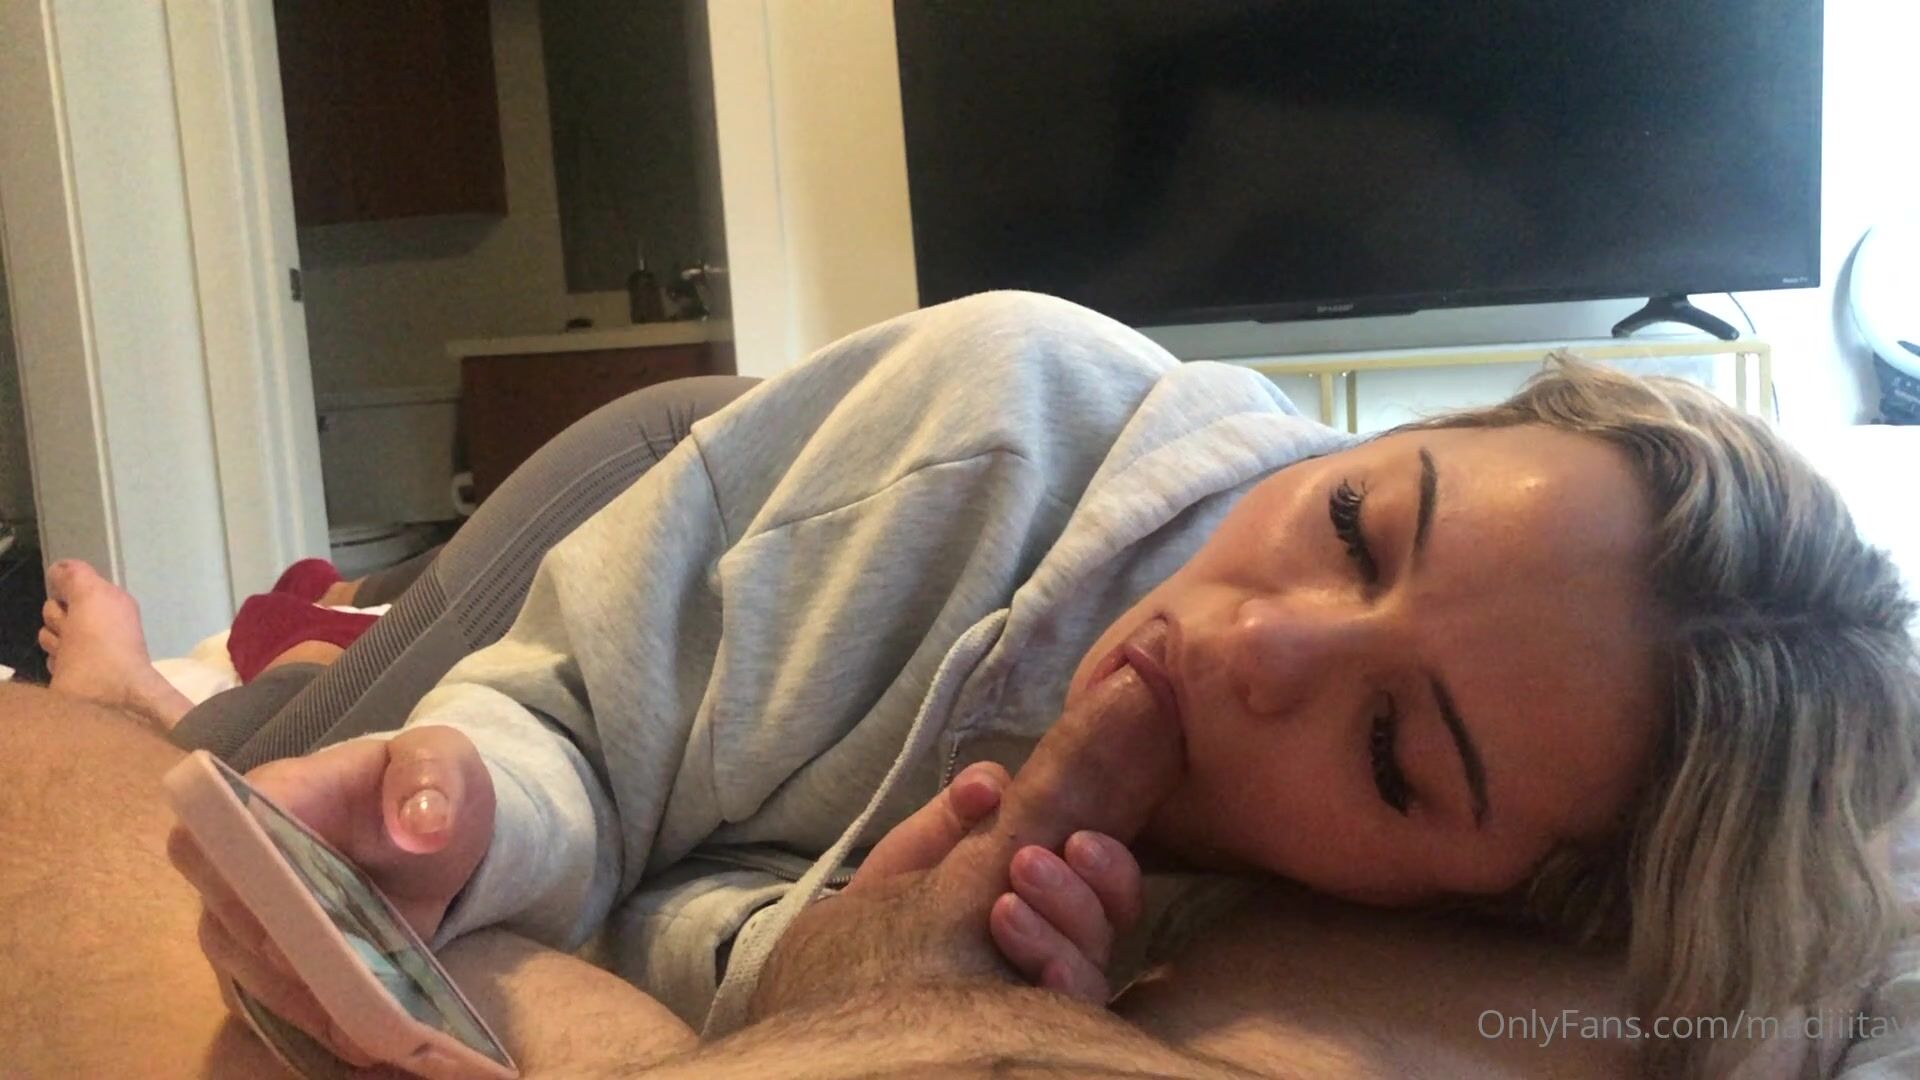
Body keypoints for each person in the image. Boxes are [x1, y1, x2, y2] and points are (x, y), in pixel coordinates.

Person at [25, 292, 1920, 1076]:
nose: (1253, 644)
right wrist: (473, 809)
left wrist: (827, 970)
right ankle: (129, 696)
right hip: (679, 487)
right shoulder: (989, 420)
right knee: (275, 749)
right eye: (1359, 522)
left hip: (742, 754)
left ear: (1489, 900)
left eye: (1392, 753)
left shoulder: (1277, 954)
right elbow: (578, 744)